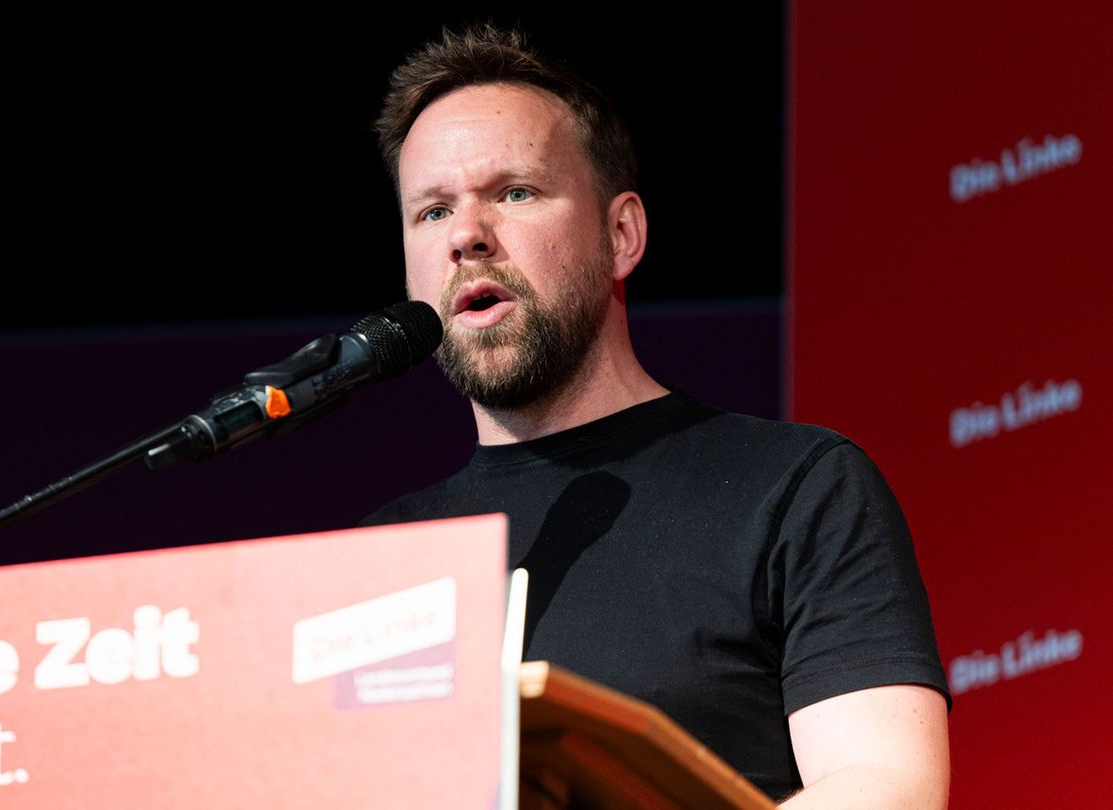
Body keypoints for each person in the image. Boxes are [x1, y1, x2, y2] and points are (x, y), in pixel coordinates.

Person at [363, 25, 951, 808]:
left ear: (621, 235)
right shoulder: (377, 562)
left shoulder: (795, 488)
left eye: (515, 192)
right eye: (432, 211)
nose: (467, 235)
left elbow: (886, 787)